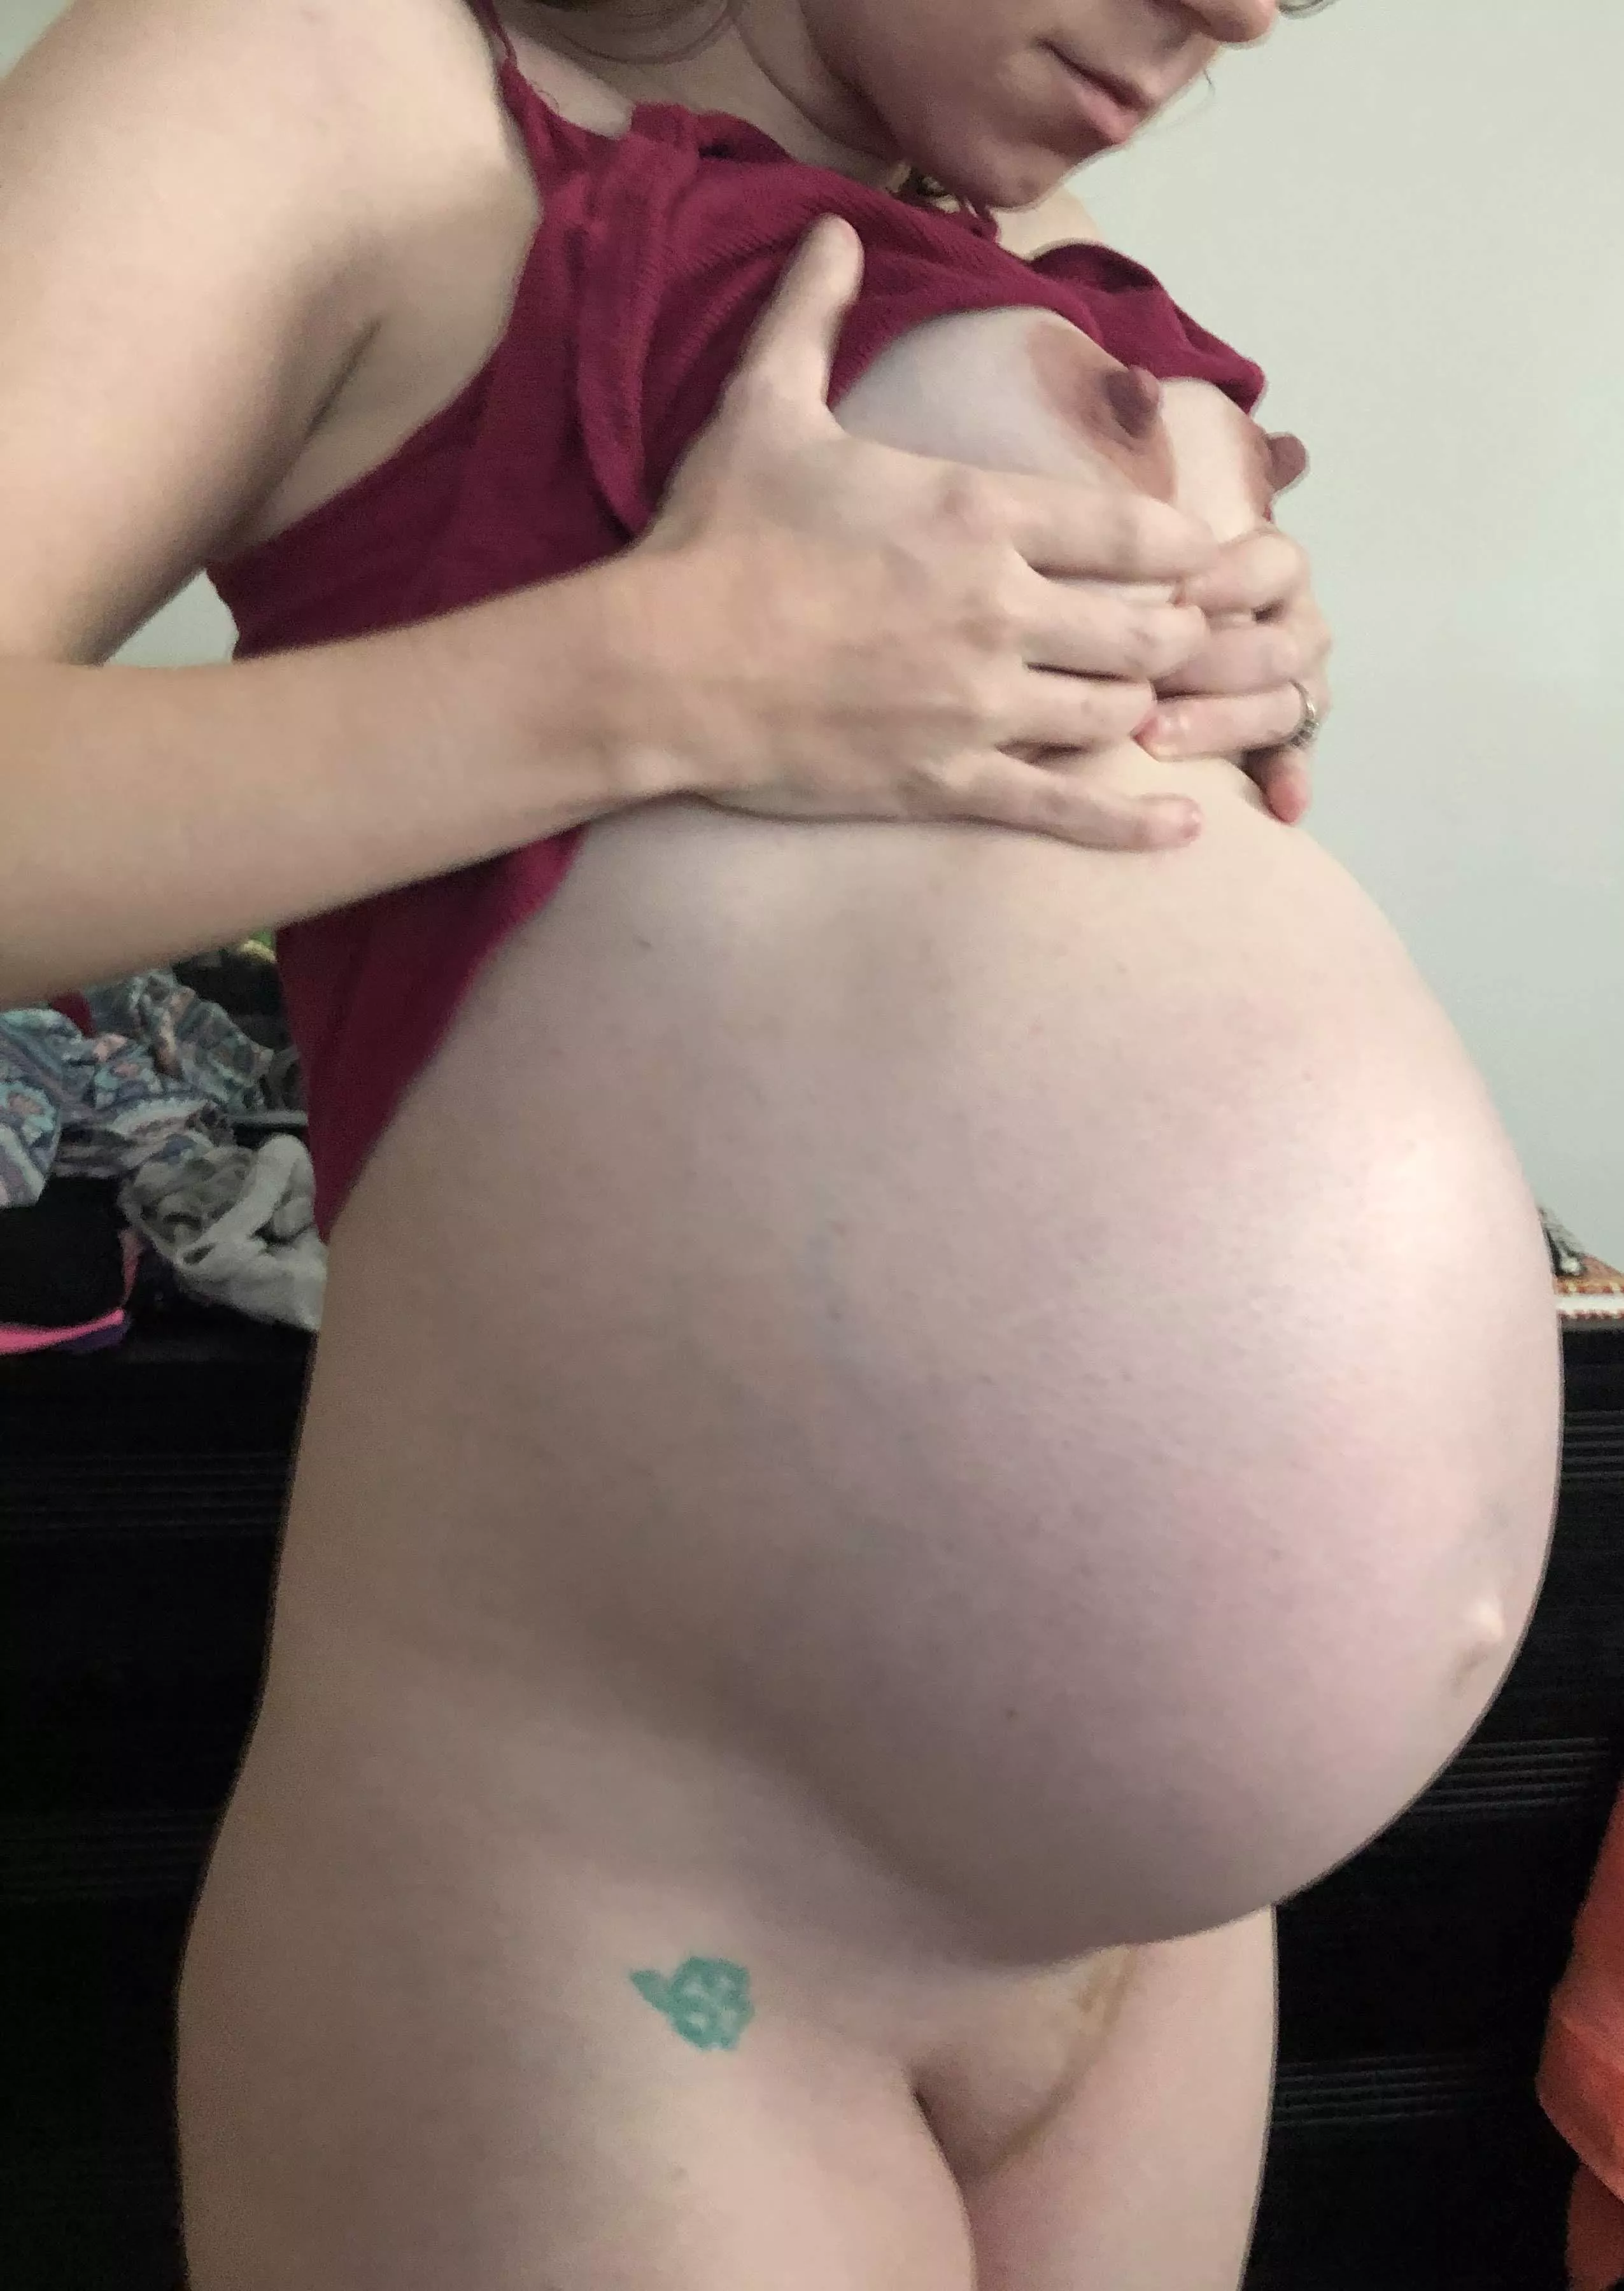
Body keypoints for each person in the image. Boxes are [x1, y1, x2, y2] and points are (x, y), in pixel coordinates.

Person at [0, 4, 1560, 2289]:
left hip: (1157, 1950)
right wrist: (656, 671)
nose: (1242, 10)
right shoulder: (319, 68)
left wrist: (1246, 668)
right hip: (631, 1934)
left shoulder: (1007, 217)